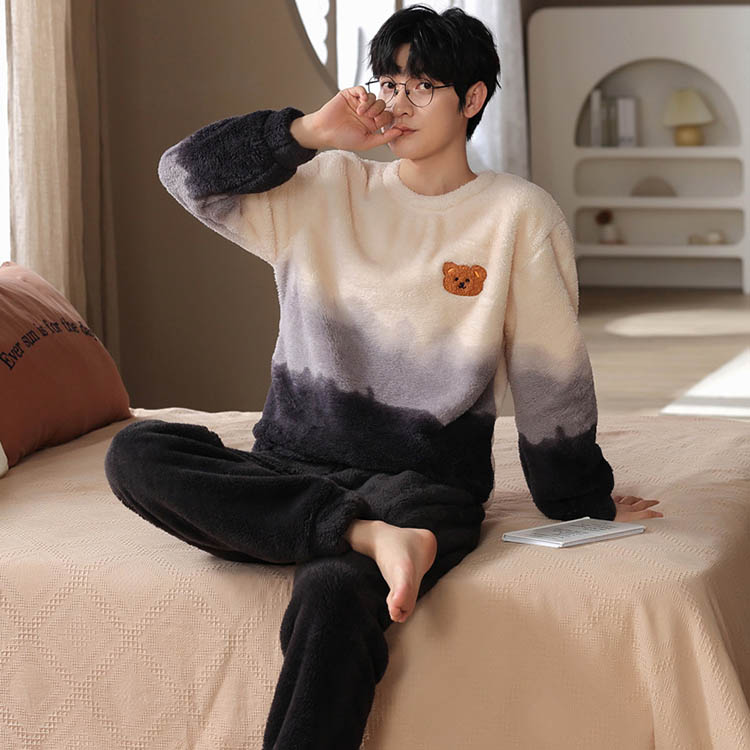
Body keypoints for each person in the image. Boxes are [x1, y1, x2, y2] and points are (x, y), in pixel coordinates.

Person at [104, 4, 662, 748]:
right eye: (388, 84)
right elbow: (183, 172)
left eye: (423, 85)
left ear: (472, 98)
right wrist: (307, 133)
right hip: (290, 466)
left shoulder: (516, 216)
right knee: (135, 452)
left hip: (420, 485)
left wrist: (582, 503)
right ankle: (364, 535)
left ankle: (368, 536)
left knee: (334, 591)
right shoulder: (326, 186)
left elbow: (549, 376)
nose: (398, 103)